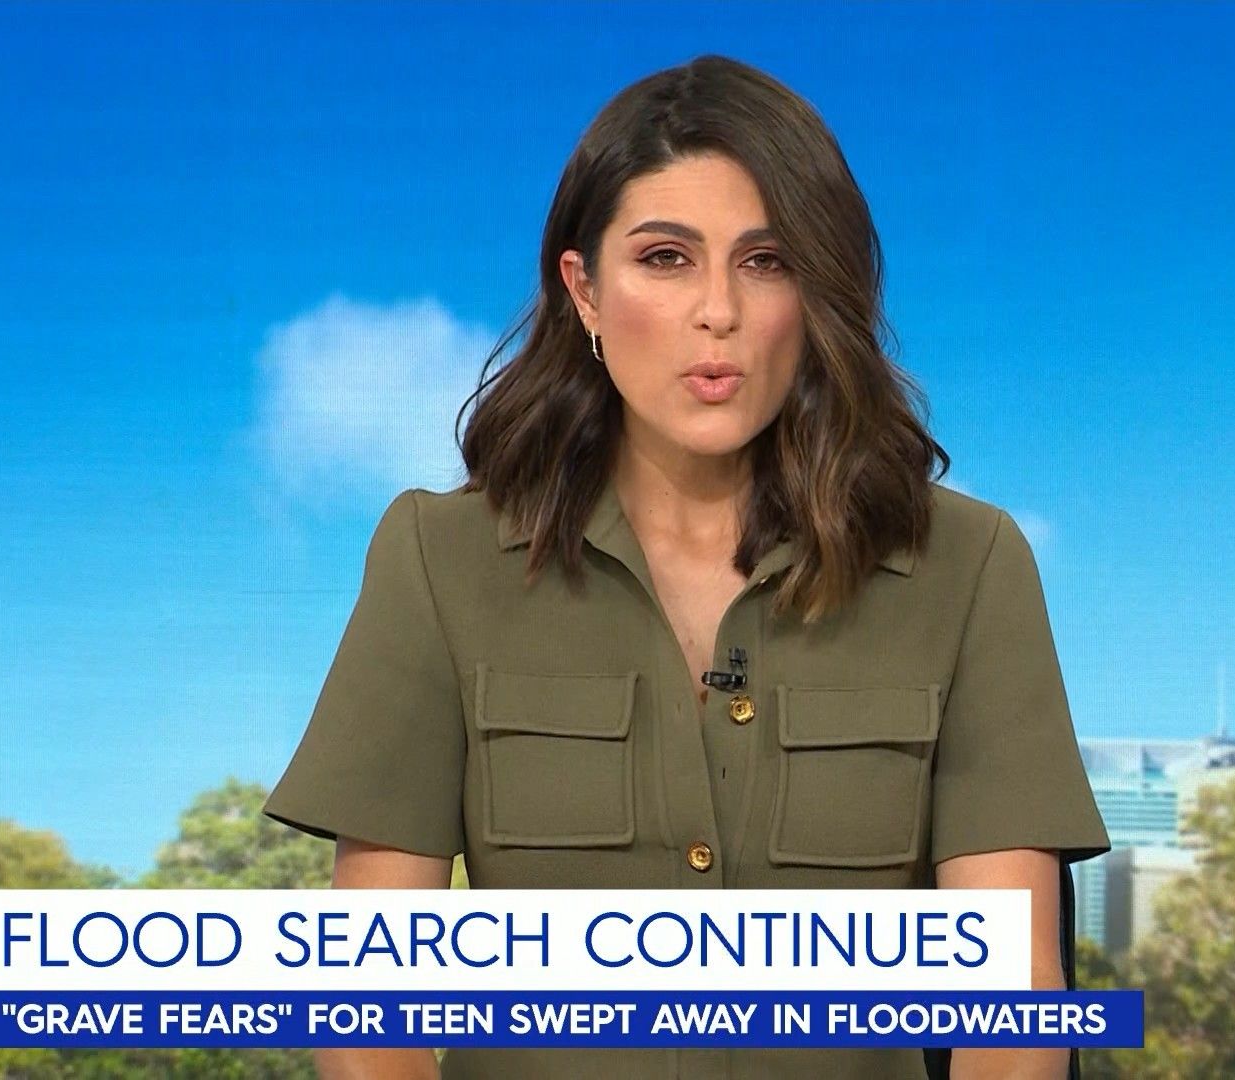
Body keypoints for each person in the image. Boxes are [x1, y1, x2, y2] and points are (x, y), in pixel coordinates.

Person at [262, 53, 1109, 1080]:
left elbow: (1013, 1010)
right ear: (583, 290)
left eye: (767, 261)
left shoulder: (967, 569)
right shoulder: (437, 562)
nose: (719, 311)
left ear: (820, 290)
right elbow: (370, 1011)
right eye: (666, 258)